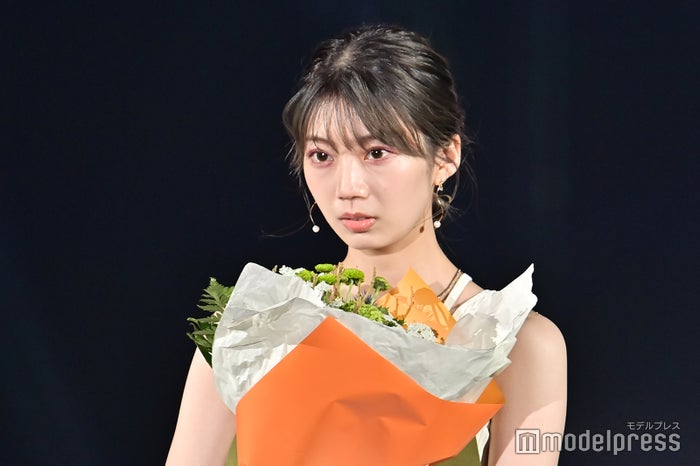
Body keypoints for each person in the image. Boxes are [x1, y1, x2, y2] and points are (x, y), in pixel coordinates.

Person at [167, 25, 567, 465]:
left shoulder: (516, 345)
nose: (348, 188)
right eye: (322, 156)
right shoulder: (252, 323)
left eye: (377, 152)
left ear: (445, 157)